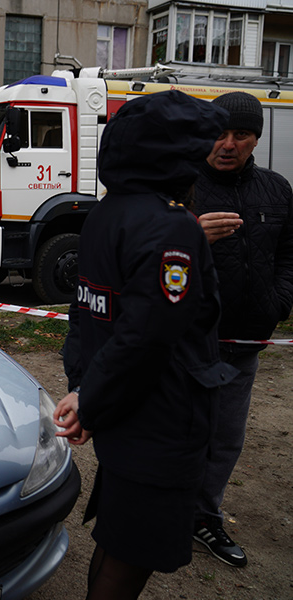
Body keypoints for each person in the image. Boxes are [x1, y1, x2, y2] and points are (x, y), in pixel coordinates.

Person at [52, 91, 235, 599]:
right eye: (196, 149)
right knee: (129, 558)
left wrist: (87, 392)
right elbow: (146, 338)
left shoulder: (107, 214)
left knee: (118, 539)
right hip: (161, 421)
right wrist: (90, 398)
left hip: (123, 414)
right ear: (172, 157)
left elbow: (85, 317)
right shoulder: (172, 228)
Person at [191, 91, 293, 567]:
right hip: (186, 343)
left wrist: (279, 302)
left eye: (242, 135)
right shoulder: (180, 188)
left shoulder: (277, 190)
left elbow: (289, 255)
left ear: (256, 139)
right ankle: (164, 514)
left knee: (226, 438)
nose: (228, 144)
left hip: (246, 344)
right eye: (219, 133)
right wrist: (187, 233)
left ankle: (203, 516)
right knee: (179, 433)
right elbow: (137, 257)